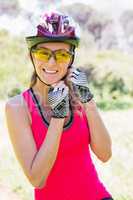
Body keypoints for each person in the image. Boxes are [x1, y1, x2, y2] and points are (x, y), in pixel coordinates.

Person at [5, 11, 113, 200]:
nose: (52, 62)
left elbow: (105, 154)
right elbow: (37, 179)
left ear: (71, 58)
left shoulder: (80, 98)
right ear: (32, 55)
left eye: (62, 54)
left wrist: (88, 99)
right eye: (43, 53)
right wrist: (58, 117)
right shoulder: (17, 107)